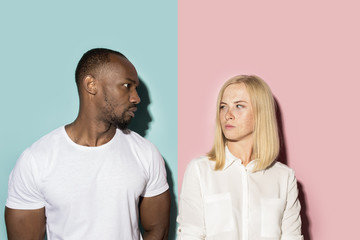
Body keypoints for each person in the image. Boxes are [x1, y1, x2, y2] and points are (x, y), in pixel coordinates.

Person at [5, 48, 170, 240]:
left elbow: (157, 231)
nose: (136, 98)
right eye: (127, 86)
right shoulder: (36, 160)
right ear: (91, 85)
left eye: (136, 88)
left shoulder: (146, 153)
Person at [177, 75, 303, 240]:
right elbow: (190, 234)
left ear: (260, 112)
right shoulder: (200, 171)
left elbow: (291, 237)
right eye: (223, 106)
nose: (228, 115)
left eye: (239, 106)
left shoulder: (284, 177)